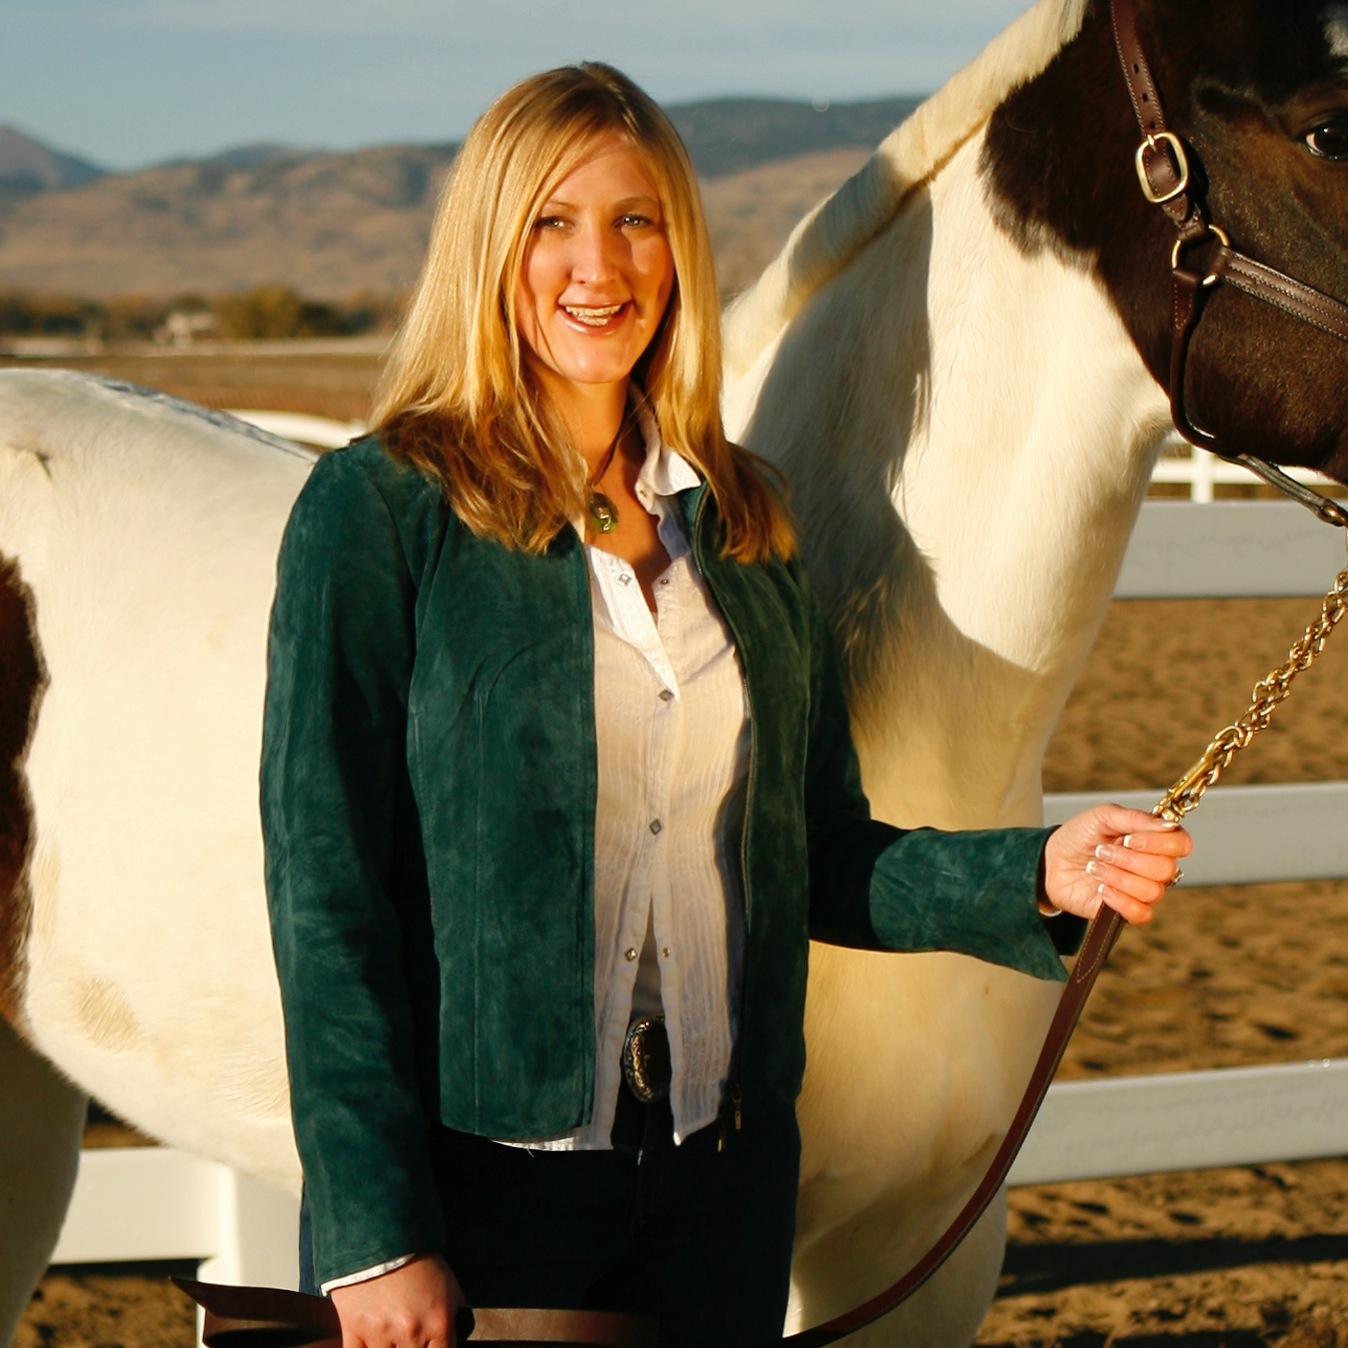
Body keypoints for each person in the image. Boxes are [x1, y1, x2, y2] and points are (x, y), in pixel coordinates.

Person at [259, 62, 1191, 1348]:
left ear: (679, 249)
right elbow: (328, 896)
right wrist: (374, 1233)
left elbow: (817, 854)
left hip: (720, 1185)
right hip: (483, 1185)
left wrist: (1039, 871)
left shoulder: (743, 523)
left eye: (637, 220)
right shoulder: (379, 515)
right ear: (489, 244)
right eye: (552, 222)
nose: (601, 265)